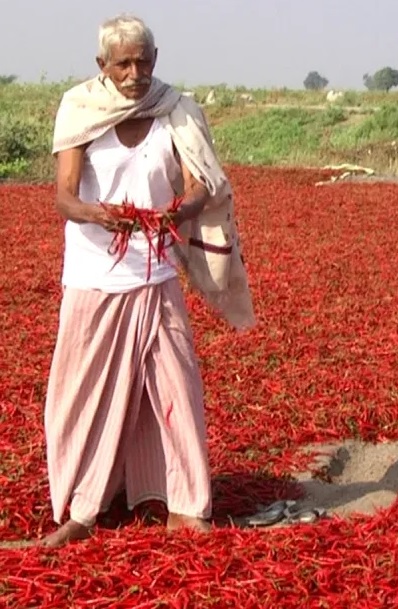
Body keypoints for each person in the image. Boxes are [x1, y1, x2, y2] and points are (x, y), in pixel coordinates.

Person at [40, 13, 254, 547]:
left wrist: (176, 212)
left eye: (144, 61)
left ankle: (186, 503)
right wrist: (98, 213)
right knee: (83, 392)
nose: (136, 73)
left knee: (175, 386)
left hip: (156, 272)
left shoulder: (175, 111)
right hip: (94, 274)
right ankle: (83, 506)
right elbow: (65, 198)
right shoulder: (81, 109)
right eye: (123, 63)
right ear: (102, 65)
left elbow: (200, 184)